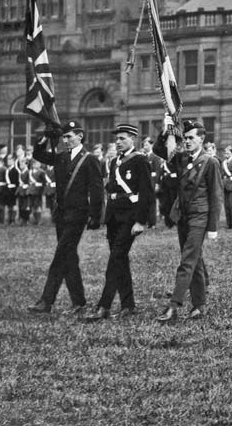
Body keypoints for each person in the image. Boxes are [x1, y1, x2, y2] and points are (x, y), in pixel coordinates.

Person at [28, 120, 104, 314]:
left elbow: (96, 190)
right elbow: (38, 154)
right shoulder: (61, 157)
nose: (66, 140)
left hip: (78, 215)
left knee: (60, 256)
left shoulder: (89, 159)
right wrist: (46, 137)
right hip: (61, 215)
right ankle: (79, 301)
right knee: (69, 258)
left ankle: (47, 300)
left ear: (80, 136)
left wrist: (95, 217)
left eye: (69, 136)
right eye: (64, 136)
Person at [84, 124, 155, 322]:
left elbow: (147, 192)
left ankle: (103, 306)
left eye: (123, 138)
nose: (118, 142)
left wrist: (141, 221)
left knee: (115, 259)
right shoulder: (114, 161)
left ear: (134, 138)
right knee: (120, 260)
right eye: (117, 139)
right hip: (114, 217)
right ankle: (128, 305)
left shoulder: (140, 160)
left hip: (130, 217)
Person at [155, 118, 222, 323]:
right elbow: (160, 150)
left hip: (200, 217)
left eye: (191, 138)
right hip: (183, 216)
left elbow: (215, 196)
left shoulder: (210, 162)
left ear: (202, 139)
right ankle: (199, 305)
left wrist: (213, 227)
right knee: (195, 259)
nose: (187, 141)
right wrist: (167, 130)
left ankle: (174, 306)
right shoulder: (181, 158)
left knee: (187, 260)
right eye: (185, 137)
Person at [219, 145, 232, 229]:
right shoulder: (223, 163)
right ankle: (229, 223)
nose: (226, 154)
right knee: (226, 205)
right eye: (225, 153)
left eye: (228, 153)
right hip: (225, 185)